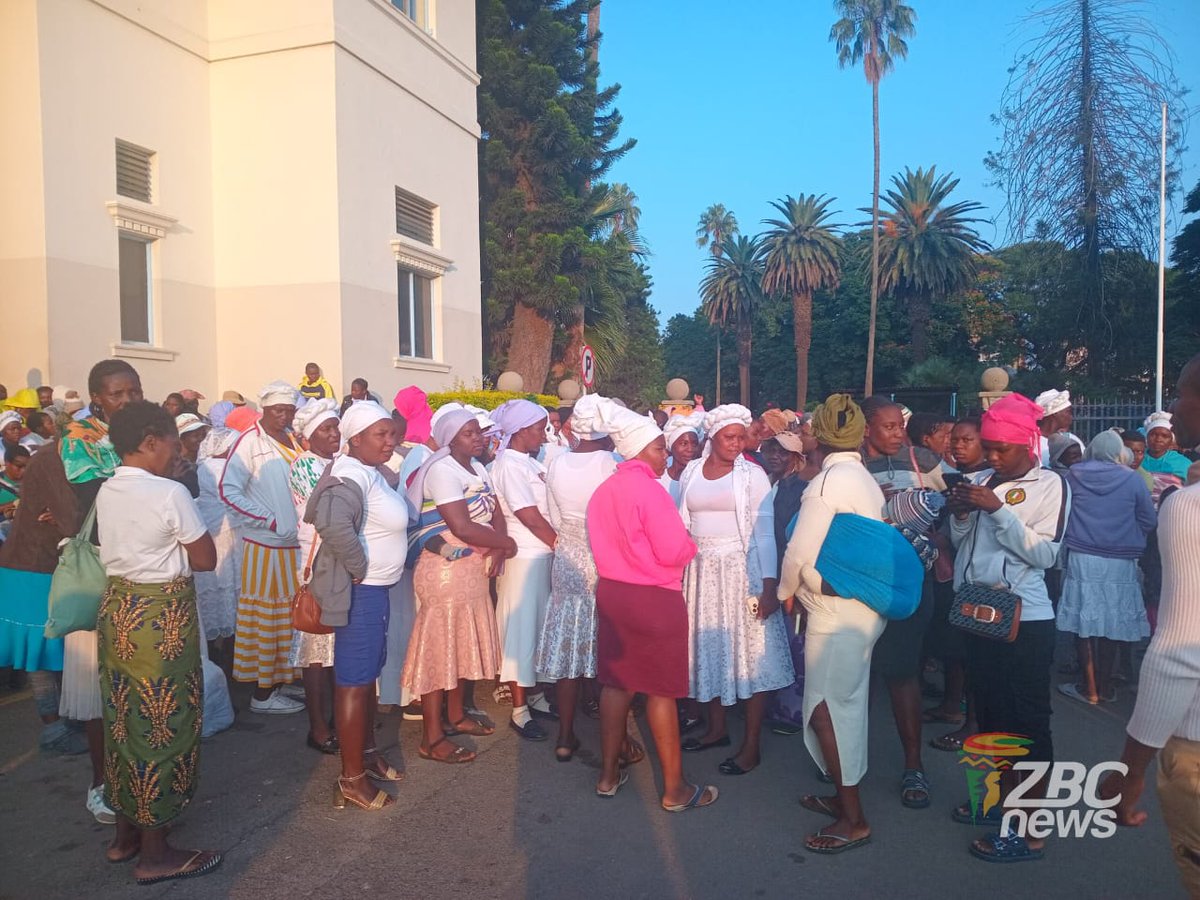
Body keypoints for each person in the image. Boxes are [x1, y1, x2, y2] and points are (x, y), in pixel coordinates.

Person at [94, 401, 221, 884]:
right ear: (151, 441)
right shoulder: (168, 492)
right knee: (164, 724)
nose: (176, 451)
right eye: (171, 441)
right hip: (160, 616)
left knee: (124, 719)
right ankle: (156, 852)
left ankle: (124, 836)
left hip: (119, 610)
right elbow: (205, 558)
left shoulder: (108, 489)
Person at [946, 392, 1070, 863]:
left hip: (1027, 620)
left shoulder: (1051, 485)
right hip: (977, 614)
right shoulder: (979, 479)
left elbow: (1044, 554)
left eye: (1001, 449)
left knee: (1029, 724)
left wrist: (996, 509)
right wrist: (962, 514)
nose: (991, 456)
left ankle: (1031, 830)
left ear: (1028, 445)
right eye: (989, 447)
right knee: (993, 718)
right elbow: (963, 546)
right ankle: (1000, 803)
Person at [585, 396, 717, 811]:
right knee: (661, 691)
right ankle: (674, 788)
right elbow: (674, 549)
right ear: (640, 451)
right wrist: (691, 545)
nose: (665, 454)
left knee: (616, 683)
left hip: (613, 594)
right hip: (654, 598)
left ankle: (608, 775)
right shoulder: (651, 491)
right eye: (660, 447)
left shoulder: (603, 491)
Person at [1100, 353, 1200, 895]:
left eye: (1182, 391)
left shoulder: (1188, 507)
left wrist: (1130, 769)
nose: (1171, 408)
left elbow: (1182, 650)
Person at [777, 395, 886, 852]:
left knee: (825, 710)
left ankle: (854, 818)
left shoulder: (825, 484)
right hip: (858, 612)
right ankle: (842, 799)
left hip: (835, 616)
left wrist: (785, 594)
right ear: (861, 434)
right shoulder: (862, 477)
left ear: (815, 436)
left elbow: (800, 553)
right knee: (846, 705)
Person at [677, 404, 793, 776]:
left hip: (742, 571)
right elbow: (683, 523)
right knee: (710, 648)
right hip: (700, 571)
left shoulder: (751, 475)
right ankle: (716, 729)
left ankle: (752, 744)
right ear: (712, 437)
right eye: (730, 437)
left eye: (742, 437)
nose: (737, 443)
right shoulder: (693, 469)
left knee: (749, 653)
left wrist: (770, 587)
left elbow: (765, 534)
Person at [307, 401, 408, 810]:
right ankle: (350, 779)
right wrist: (361, 566)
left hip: (376, 590)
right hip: (361, 592)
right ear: (356, 439)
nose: (391, 440)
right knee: (353, 680)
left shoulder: (369, 471)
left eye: (391, 432)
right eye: (380, 435)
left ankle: (366, 754)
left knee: (367, 676)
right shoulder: (350, 475)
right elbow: (330, 524)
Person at [59, 359, 144, 825]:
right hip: (101, 572)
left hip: (143, 571)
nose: (128, 400)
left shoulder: (146, 432)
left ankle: (141, 779)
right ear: (97, 398)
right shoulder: (79, 439)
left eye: (134, 391)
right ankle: (101, 783)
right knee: (98, 691)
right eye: (118, 393)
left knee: (137, 686)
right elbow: (90, 497)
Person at [401, 409, 513, 763]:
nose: (477, 438)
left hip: (472, 569)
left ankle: (456, 715)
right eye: (468, 433)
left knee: (460, 644)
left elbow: (494, 511)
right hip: (445, 570)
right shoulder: (442, 470)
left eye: (478, 432)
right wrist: (505, 545)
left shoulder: (477, 468)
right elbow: (461, 527)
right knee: (439, 649)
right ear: (450, 438)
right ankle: (431, 737)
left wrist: (497, 544)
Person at [861, 399, 945, 810]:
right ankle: (843, 760)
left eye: (900, 426)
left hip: (911, 578)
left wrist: (919, 504)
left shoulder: (923, 458)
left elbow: (947, 509)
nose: (897, 434)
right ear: (865, 430)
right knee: (854, 676)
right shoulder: (848, 467)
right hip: (862, 580)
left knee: (902, 672)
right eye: (889, 427)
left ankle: (914, 765)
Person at [536, 395, 618, 760]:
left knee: (570, 644)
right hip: (601, 555)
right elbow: (616, 518)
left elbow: (553, 513)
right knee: (604, 645)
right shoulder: (609, 463)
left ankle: (565, 737)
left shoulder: (557, 462)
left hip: (566, 552)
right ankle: (612, 740)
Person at [219, 381, 306, 714]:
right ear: (264, 410)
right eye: (277, 410)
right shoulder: (249, 443)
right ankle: (262, 694)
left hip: (293, 545)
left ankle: (282, 682)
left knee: (289, 617)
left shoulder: (293, 439)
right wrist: (268, 519)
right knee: (267, 619)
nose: (283, 416)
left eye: (289, 410)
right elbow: (229, 491)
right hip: (266, 547)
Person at [1056, 430, 1155, 705]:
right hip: (1121, 560)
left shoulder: (1073, 475)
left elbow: (1061, 511)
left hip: (1082, 556)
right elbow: (1148, 518)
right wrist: (1128, 534)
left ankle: (1088, 688)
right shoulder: (1131, 479)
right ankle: (1106, 686)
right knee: (1112, 623)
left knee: (1083, 622)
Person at [0, 442, 83, 754]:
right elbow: (73, 520)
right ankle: (53, 729)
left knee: (51, 650)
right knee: (40, 654)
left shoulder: (59, 456)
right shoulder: (52, 459)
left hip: (40, 565)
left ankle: (64, 720)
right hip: (30, 567)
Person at [489, 400, 558, 741]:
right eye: (538, 429)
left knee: (538, 629)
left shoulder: (528, 462)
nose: (543, 436)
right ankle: (519, 709)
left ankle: (536, 694)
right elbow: (527, 514)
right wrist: (560, 544)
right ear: (519, 431)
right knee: (520, 630)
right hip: (524, 556)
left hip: (539, 554)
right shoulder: (508, 465)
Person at [925, 417, 987, 752]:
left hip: (976, 577)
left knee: (972, 654)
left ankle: (973, 723)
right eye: (955, 440)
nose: (958, 445)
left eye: (967, 440)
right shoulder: (953, 477)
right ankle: (951, 706)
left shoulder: (988, 481)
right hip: (954, 573)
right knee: (953, 648)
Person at [288, 399, 342, 753]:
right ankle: (318, 725)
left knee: (340, 644)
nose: (335, 434)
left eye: (336, 427)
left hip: (343, 558)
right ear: (309, 437)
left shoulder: (338, 463)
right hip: (319, 559)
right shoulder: (304, 466)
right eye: (326, 429)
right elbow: (321, 508)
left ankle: (341, 715)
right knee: (317, 648)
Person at [761, 429, 819, 736]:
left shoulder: (800, 490)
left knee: (796, 645)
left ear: (797, 458)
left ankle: (794, 714)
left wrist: (793, 587)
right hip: (771, 575)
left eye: (783, 452)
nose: (775, 456)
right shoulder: (768, 484)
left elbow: (797, 542)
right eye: (771, 450)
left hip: (791, 579)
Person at [193, 428, 240, 665]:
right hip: (227, 536)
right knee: (230, 590)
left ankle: (215, 649)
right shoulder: (224, 467)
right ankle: (230, 652)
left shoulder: (203, 467)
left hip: (213, 535)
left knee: (214, 591)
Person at [1140, 411, 1191, 505]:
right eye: (1153, 435)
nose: (1158, 439)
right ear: (1146, 437)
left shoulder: (1183, 463)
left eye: (1165, 436)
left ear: (1172, 440)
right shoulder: (1136, 460)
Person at [660, 412, 704, 503]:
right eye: (684, 444)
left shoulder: (702, 478)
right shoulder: (659, 479)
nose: (690, 449)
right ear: (671, 446)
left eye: (694, 444)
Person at [1034, 388, 1083, 467]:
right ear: (1055, 413)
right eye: (1068, 411)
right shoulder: (1032, 443)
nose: (1071, 416)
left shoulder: (1071, 440)